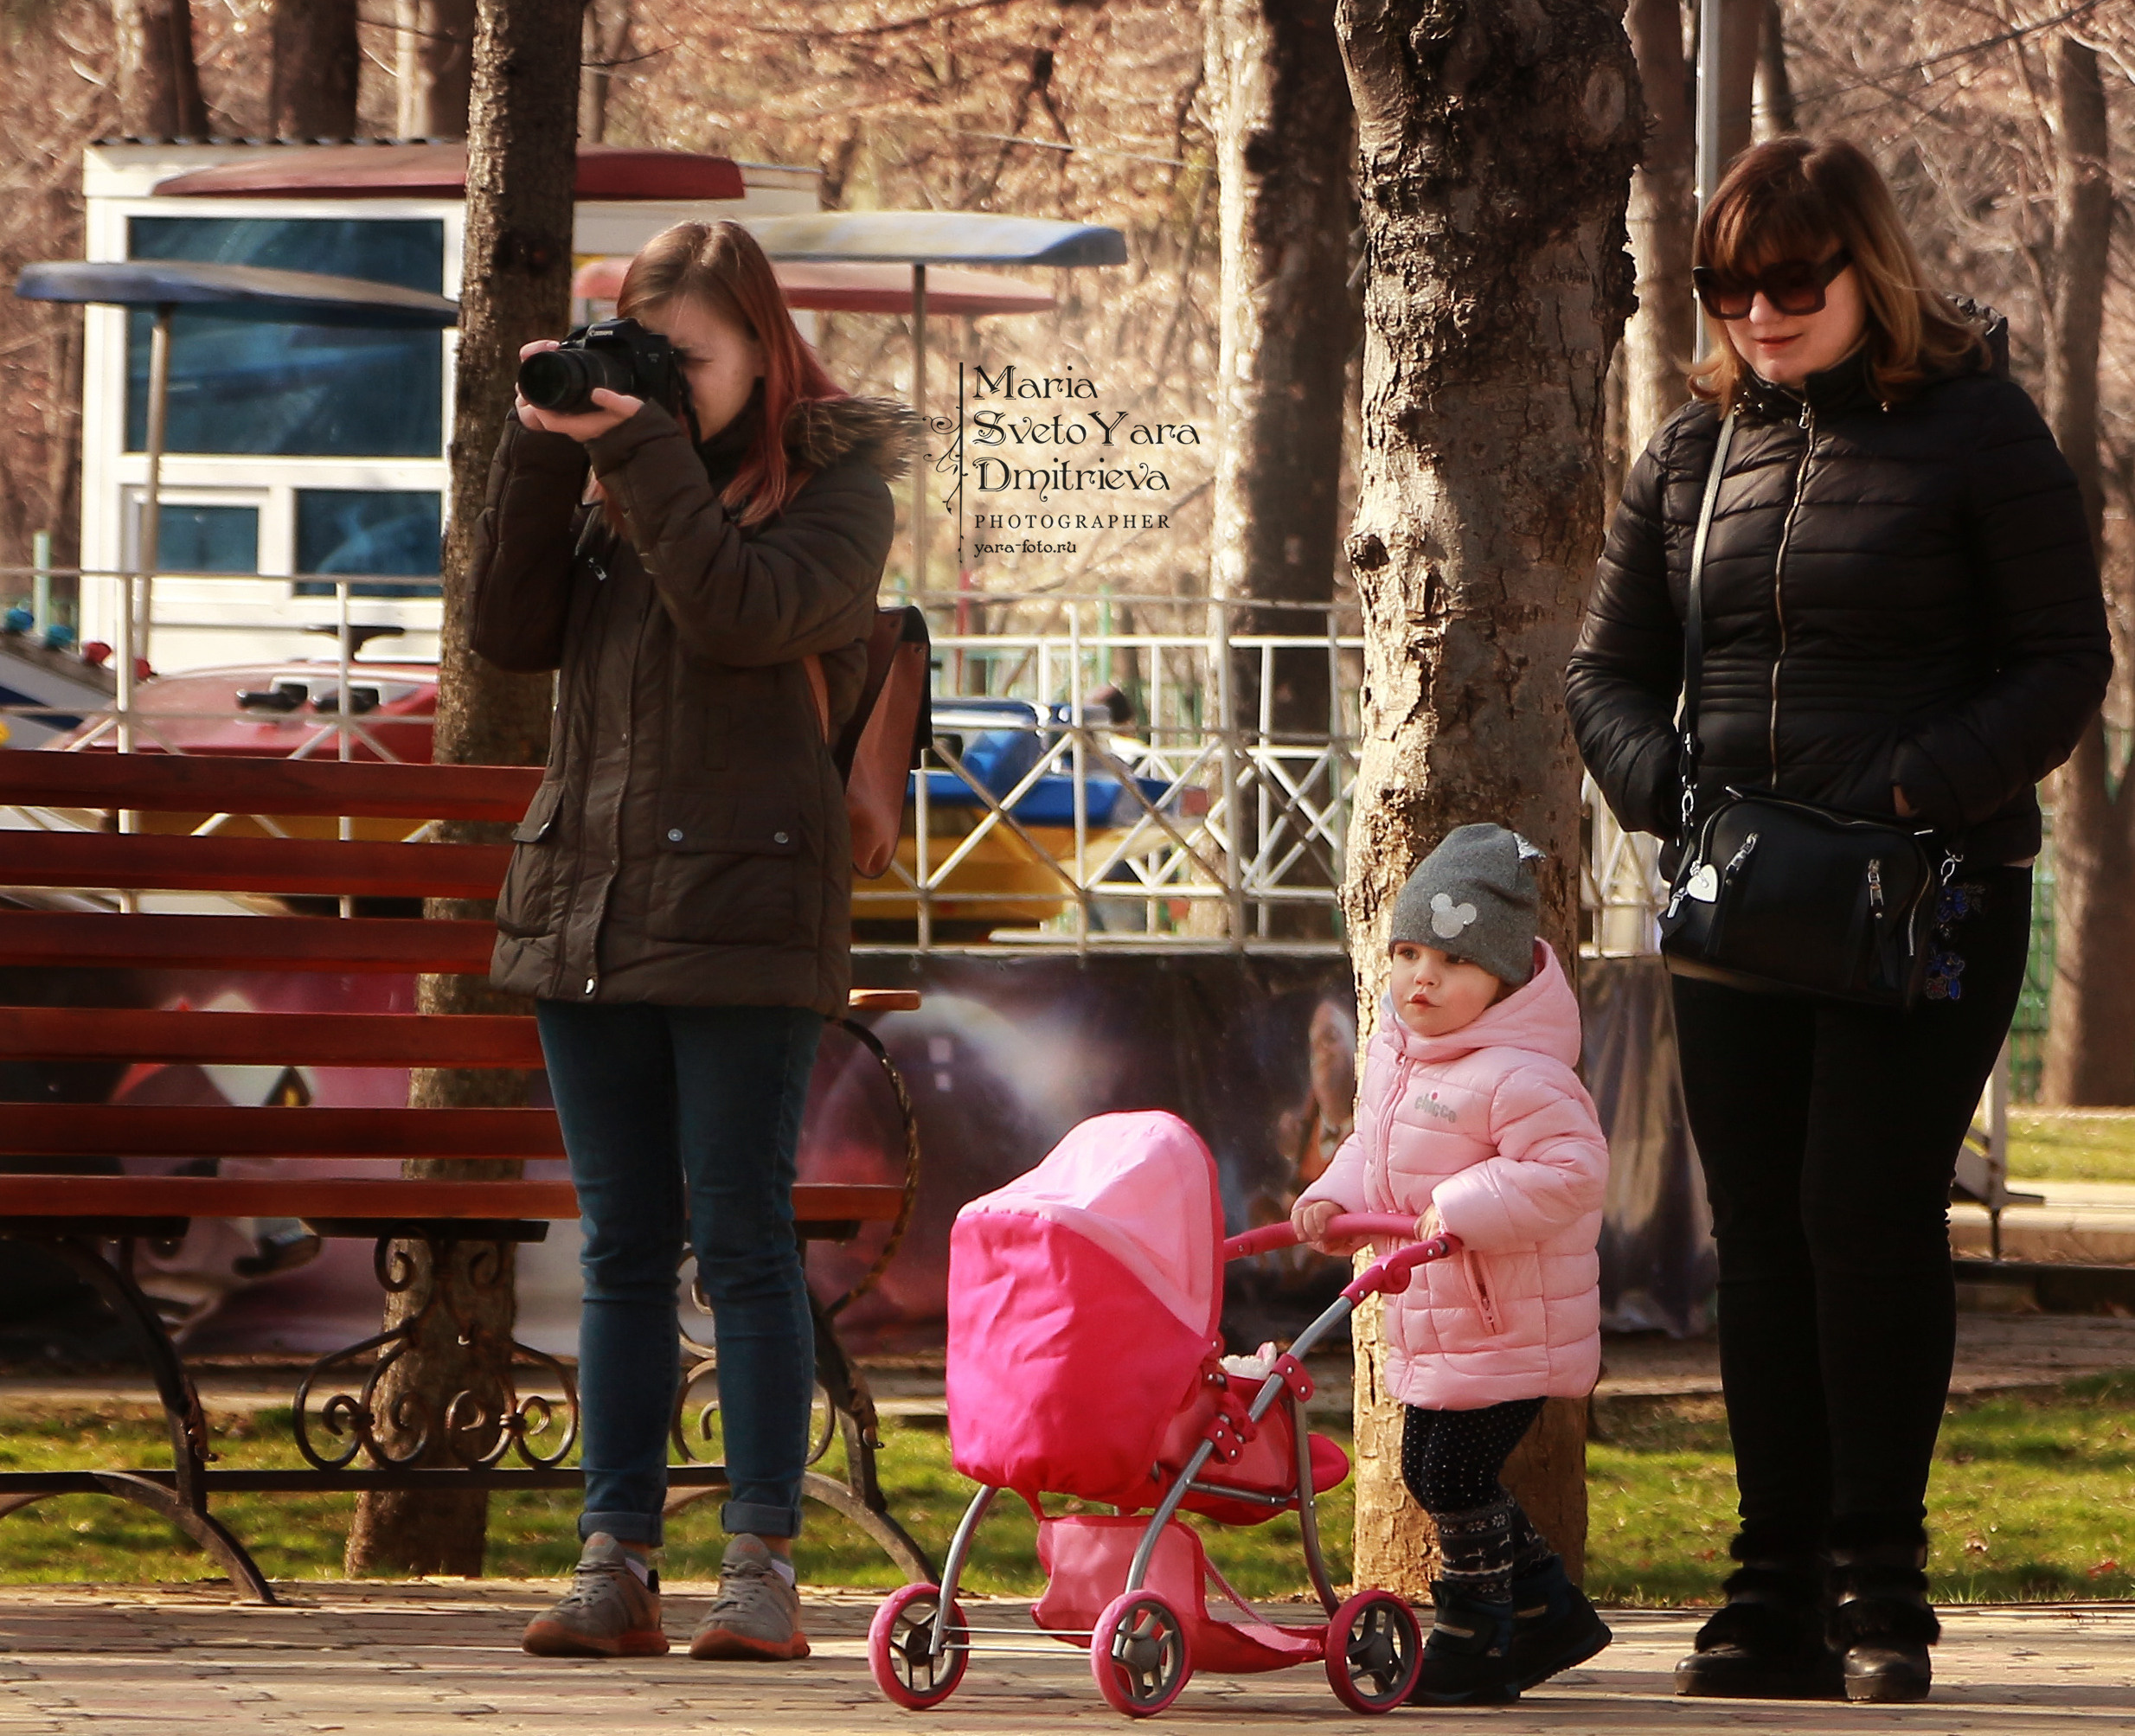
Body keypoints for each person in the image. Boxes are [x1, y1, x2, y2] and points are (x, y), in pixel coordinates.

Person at [1566, 137, 2110, 1705]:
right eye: (1723, 286)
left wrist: (1906, 791)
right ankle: (1768, 1593)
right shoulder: (1691, 452)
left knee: (1857, 1215)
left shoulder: (1977, 429)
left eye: (1786, 281)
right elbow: (1604, 669)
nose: (1753, 311)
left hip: (1920, 902)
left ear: (1863, 268)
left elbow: (2061, 661)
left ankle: (1885, 1589)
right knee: (1758, 1243)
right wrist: (1667, 787)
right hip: (1740, 901)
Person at [467, 219, 914, 1662]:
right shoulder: (616, 475)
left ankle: (759, 1565)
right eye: (647, 351)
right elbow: (504, 630)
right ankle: (615, 1562)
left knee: (738, 1241)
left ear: (765, 349)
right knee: (618, 1250)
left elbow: (737, 614)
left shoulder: (840, 493)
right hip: (587, 906)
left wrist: (636, 452)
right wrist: (546, 447)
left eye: (693, 359)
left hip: (744, 910)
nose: (664, 385)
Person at [1292, 823, 1611, 1706]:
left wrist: (1462, 1206)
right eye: (1406, 953)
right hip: (1445, 1316)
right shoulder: (1400, 1061)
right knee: (1432, 1467)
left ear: (1502, 980)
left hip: (1512, 1317)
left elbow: (1571, 1172)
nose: (1421, 977)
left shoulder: (1521, 1074)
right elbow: (1376, 1151)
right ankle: (1548, 1609)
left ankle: (1475, 1633)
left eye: (1451, 961)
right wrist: (1330, 1195)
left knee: (1447, 1474)